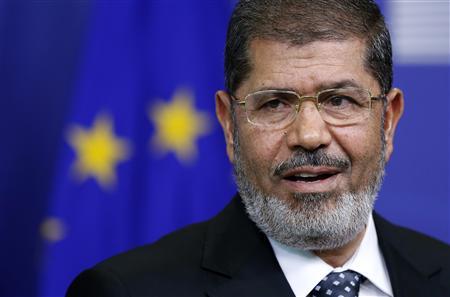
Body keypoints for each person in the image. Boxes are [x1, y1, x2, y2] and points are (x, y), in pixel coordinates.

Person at [67, 0, 450, 296]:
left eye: (339, 101)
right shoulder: (127, 291)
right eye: (274, 104)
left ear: (388, 120)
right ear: (229, 124)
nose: (309, 135)